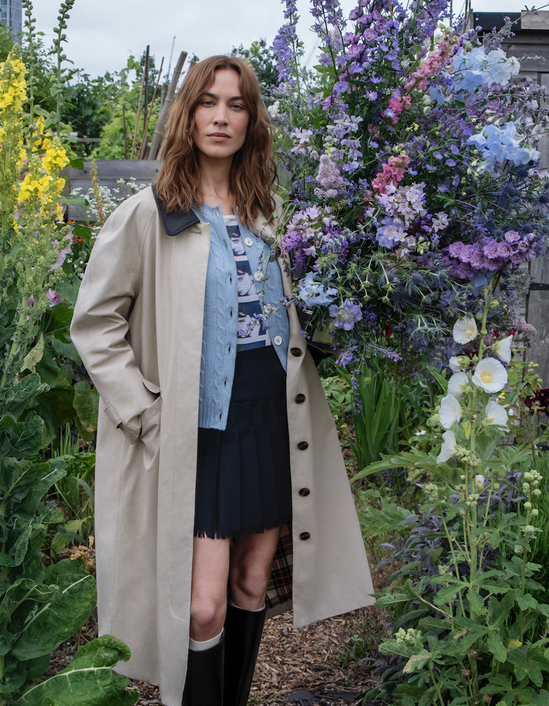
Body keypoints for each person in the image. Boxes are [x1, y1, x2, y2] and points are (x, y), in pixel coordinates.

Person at [70, 55, 374, 706]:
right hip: (198, 430)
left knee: (251, 583)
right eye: (209, 101)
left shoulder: (273, 214)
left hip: (269, 416)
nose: (221, 115)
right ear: (189, 113)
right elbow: (94, 324)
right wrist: (146, 415)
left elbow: (295, 316)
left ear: (250, 120)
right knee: (203, 606)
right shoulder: (149, 216)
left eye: (236, 104)